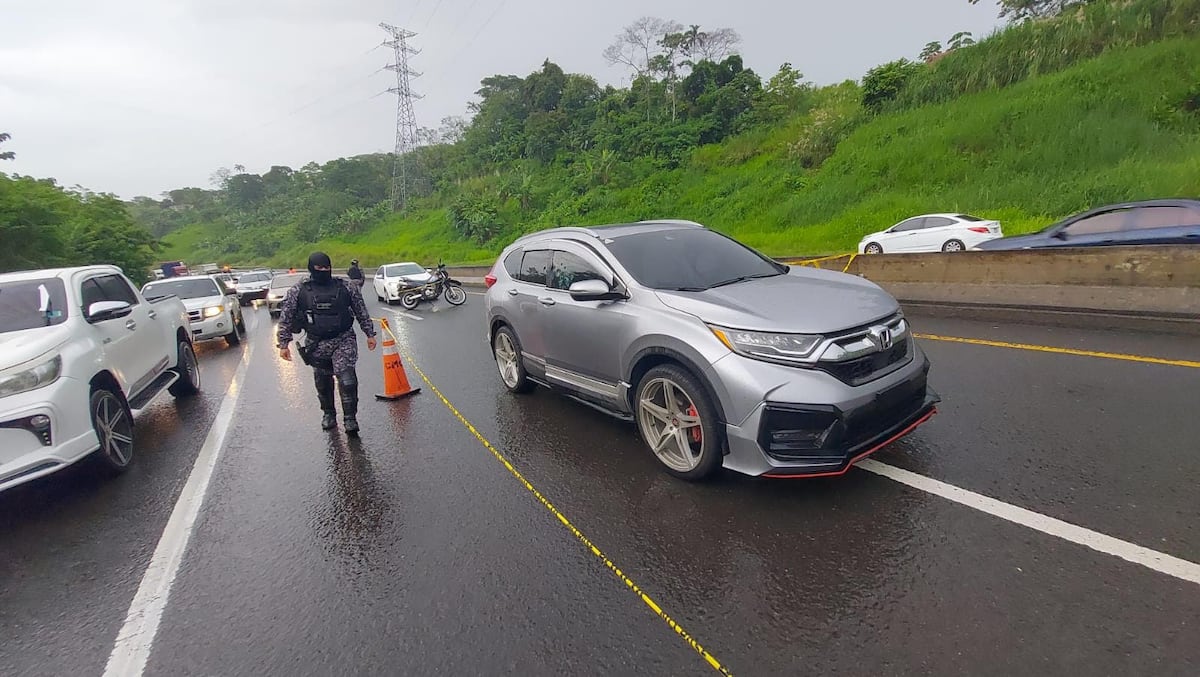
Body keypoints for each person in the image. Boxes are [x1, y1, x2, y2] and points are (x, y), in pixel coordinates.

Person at [276, 252, 378, 434]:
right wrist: (283, 344)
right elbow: (286, 317)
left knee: (347, 381)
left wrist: (369, 333)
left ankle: (350, 418)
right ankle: (328, 413)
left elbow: (361, 311)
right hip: (317, 343)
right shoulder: (299, 291)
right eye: (319, 268)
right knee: (323, 381)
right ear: (311, 269)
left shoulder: (346, 287)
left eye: (326, 268)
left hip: (343, 339)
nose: (323, 271)